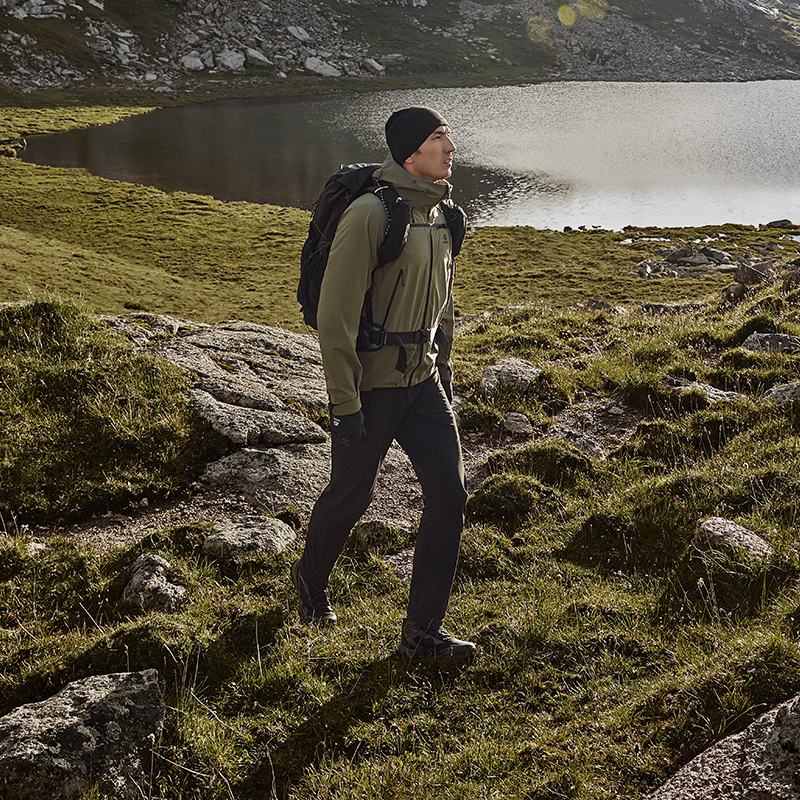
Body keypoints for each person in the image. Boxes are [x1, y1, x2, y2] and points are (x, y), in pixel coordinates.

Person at [291, 106, 475, 661]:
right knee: (351, 497)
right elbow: (336, 317)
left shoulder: (447, 216)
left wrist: (442, 372)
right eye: (439, 138)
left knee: (450, 495)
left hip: (423, 386)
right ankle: (309, 583)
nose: (450, 146)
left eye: (449, 136)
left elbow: (441, 305)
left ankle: (423, 632)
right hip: (371, 389)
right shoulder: (372, 214)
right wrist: (344, 404)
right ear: (410, 152)